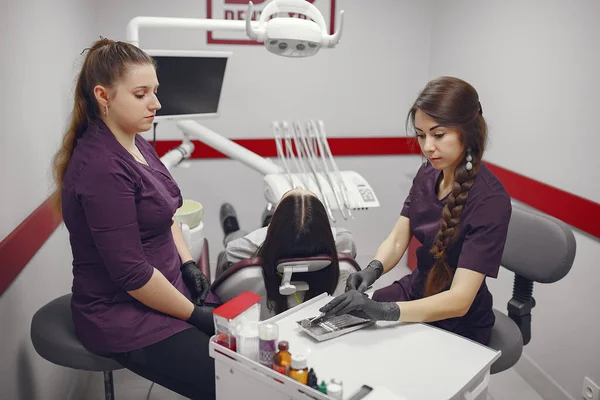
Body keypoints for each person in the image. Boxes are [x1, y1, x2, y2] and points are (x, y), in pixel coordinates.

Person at [51, 38, 215, 400]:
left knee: (252, 358)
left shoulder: (136, 142)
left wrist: (189, 265)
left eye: (155, 92)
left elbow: (164, 212)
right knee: (232, 380)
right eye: (141, 94)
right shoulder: (102, 168)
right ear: (103, 96)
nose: (156, 104)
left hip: (170, 290)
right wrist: (195, 315)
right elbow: (132, 275)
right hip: (122, 314)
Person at [320, 76, 512, 346]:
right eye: (421, 135)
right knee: (352, 332)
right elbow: (399, 237)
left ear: (467, 131)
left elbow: (459, 300)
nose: (427, 147)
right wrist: (372, 269)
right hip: (416, 289)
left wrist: (386, 312)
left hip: (455, 318)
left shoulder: (490, 201)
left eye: (438, 134)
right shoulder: (427, 173)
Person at [216, 188, 357, 315]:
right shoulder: (344, 240)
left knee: (236, 235)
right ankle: (269, 220)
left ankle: (231, 228)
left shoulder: (238, 249)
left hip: (255, 314)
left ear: (272, 226)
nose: (298, 187)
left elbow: (221, 284)